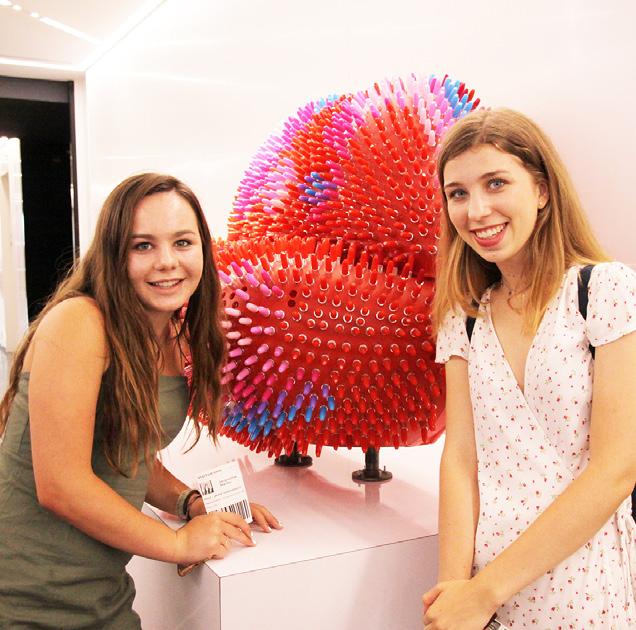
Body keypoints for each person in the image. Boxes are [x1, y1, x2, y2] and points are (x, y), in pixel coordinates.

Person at [0, 173, 281, 628]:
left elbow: (128, 452)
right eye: (143, 245)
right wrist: (178, 543)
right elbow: (61, 484)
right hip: (26, 602)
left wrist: (190, 501)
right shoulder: (80, 321)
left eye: (183, 242)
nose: (167, 262)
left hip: (102, 595)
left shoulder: (170, 333)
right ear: (114, 254)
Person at [422, 109, 636, 628]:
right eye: (457, 193)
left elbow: (616, 468)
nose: (477, 210)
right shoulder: (463, 316)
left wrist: (484, 592)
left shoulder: (604, 291)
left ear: (541, 189)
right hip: (485, 596)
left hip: (584, 590)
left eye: (496, 183)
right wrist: (454, 596)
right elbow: (461, 460)